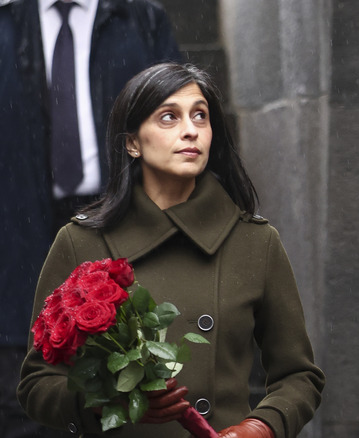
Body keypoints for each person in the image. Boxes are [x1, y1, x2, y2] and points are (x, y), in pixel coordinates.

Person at [17, 63, 326, 438]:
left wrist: (261, 427)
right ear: (132, 142)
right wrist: (111, 400)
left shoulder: (255, 243)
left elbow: (299, 375)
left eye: (201, 115)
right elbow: (37, 384)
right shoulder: (81, 241)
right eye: (169, 117)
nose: (191, 130)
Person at [1, 1, 180, 436]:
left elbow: (180, 131)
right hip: (17, 231)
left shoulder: (141, 20)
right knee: (24, 401)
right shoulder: (7, 25)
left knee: (126, 395)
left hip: (121, 227)